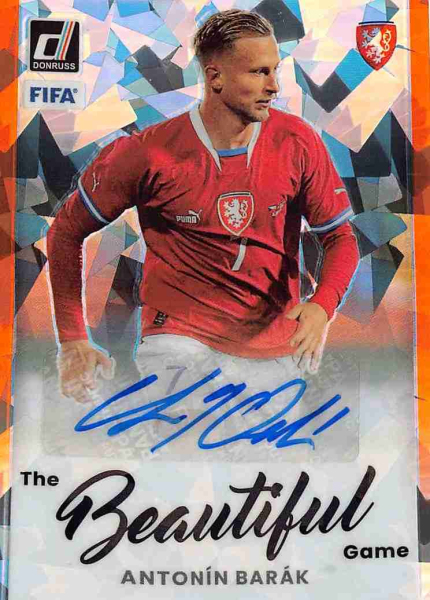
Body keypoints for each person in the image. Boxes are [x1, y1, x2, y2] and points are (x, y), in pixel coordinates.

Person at [47, 9, 359, 404]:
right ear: (215, 77)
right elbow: (65, 231)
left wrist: (322, 306)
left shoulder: (297, 142)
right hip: (178, 339)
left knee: (262, 443)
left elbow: (340, 237)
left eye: (275, 71)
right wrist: (73, 336)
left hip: (273, 346)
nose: (274, 86)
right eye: (258, 72)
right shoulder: (145, 154)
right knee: (189, 406)